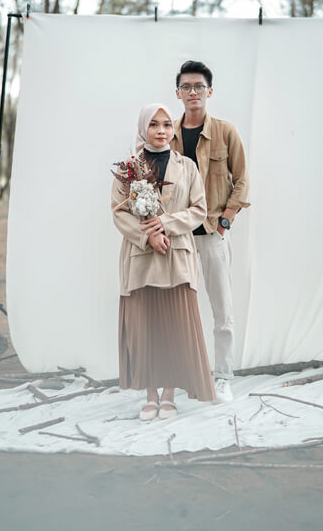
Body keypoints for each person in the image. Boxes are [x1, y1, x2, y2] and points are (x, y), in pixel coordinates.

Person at [111, 103, 216, 421]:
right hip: (141, 258)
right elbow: (119, 213)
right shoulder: (128, 168)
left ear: (173, 129)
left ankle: (169, 394)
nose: (161, 130)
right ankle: (150, 395)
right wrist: (148, 237)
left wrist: (164, 224)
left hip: (177, 256)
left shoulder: (187, 167)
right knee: (145, 328)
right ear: (143, 128)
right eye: (154, 124)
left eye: (167, 124)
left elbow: (199, 210)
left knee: (174, 327)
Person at [171, 61, 250, 403]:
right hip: (179, 237)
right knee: (179, 311)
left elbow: (242, 180)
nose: (193, 92)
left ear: (210, 91)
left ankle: (223, 378)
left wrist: (226, 220)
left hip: (213, 234)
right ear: (177, 93)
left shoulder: (225, 132)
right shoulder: (168, 134)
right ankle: (185, 375)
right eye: (186, 87)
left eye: (199, 86)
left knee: (222, 311)